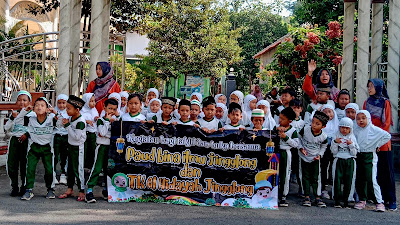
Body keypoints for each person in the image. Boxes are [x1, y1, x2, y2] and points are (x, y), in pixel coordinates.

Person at [363, 78, 397, 211]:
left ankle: (391, 199)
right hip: (370, 142)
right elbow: (365, 121)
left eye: (371, 86)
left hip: (382, 142)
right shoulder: (367, 102)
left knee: (386, 171)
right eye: (368, 86)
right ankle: (379, 198)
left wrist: (377, 140)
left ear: (378, 87)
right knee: (374, 172)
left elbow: (386, 123)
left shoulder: (385, 103)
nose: (369, 88)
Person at [353, 110, 391, 212]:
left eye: (363, 118)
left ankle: (379, 202)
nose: (361, 121)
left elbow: (387, 136)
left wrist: (377, 144)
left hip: (369, 155)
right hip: (358, 155)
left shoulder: (373, 129)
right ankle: (362, 199)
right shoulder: (355, 129)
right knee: (360, 178)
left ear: (368, 119)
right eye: (358, 118)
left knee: (371, 179)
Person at [21, 97, 56, 200]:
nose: (39, 107)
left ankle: (50, 189)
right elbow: (18, 120)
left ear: (47, 109)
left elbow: (62, 123)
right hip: (34, 147)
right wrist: (25, 110)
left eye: (42, 105)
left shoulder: (51, 119)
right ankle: (28, 190)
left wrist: (55, 112)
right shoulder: (30, 119)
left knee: (49, 169)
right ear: (33, 108)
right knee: (30, 168)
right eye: (36, 105)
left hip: (47, 148)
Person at [86, 98, 119, 203]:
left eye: (114, 109)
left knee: (108, 169)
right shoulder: (100, 120)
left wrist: (117, 117)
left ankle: (106, 190)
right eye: (109, 108)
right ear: (104, 108)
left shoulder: (117, 120)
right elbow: (103, 133)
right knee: (97, 167)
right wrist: (108, 122)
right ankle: (89, 190)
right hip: (101, 146)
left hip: (112, 147)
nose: (111, 111)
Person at [58, 95, 87, 202]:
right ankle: (70, 188)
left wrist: (67, 126)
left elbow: (76, 137)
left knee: (78, 169)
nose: (67, 110)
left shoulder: (80, 122)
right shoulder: (71, 118)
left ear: (77, 110)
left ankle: (81, 190)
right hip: (70, 147)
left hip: (77, 148)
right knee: (69, 168)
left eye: (69, 108)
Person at [298, 111, 329, 208]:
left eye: (317, 124)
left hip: (315, 158)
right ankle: (306, 196)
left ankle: (317, 196)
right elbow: (298, 138)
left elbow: (324, 146)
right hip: (304, 157)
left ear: (323, 126)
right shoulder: (305, 130)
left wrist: (320, 155)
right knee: (305, 176)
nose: (314, 125)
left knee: (316, 178)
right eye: (313, 122)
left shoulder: (324, 136)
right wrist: (300, 148)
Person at [5, 90, 33, 196]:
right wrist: (12, 118)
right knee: (12, 164)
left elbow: (34, 128)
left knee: (24, 164)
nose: (22, 102)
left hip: (26, 141)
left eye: (25, 100)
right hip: (14, 141)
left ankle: (24, 186)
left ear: (29, 102)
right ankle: (14, 186)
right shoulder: (14, 113)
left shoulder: (32, 114)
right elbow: (6, 128)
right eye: (19, 100)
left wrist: (26, 134)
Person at [331, 117, 359, 208]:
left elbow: (354, 153)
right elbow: (333, 152)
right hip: (339, 159)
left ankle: (347, 200)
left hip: (350, 160)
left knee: (349, 181)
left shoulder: (352, 138)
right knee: (337, 180)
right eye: (342, 127)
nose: (344, 130)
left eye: (347, 128)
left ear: (350, 129)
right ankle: (337, 200)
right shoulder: (336, 136)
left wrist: (351, 145)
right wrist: (335, 143)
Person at [277, 107, 299, 207]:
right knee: (275, 173)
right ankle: (274, 193)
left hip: (286, 153)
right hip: (276, 152)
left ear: (289, 121)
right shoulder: (276, 128)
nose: (280, 120)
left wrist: (286, 137)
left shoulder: (293, 131)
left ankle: (283, 196)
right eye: (279, 118)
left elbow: (296, 144)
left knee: (285, 174)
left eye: (282, 119)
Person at [319, 104, 339, 199]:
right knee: (324, 168)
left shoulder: (337, 124)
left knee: (333, 169)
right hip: (323, 149)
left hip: (334, 149)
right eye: (325, 112)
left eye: (329, 111)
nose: (327, 114)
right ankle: (323, 189)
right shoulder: (321, 126)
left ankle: (335, 191)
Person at [53, 94, 69, 185]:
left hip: (66, 137)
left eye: (64, 103)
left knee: (64, 156)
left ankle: (63, 174)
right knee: (55, 156)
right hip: (57, 136)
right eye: (59, 103)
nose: (61, 105)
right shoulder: (54, 112)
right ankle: (54, 174)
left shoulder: (69, 113)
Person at [81, 93, 99, 171]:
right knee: (84, 150)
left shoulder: (94, 110)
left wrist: (95, 118)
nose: (93, 103)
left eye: (94, 101)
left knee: (92, 150)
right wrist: (86, 121)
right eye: (91, 101)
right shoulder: (82, 111)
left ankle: (90, 167)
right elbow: (80, 119)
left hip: (92, 133)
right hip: (85, 133)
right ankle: (83, 166)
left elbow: (94, 118)